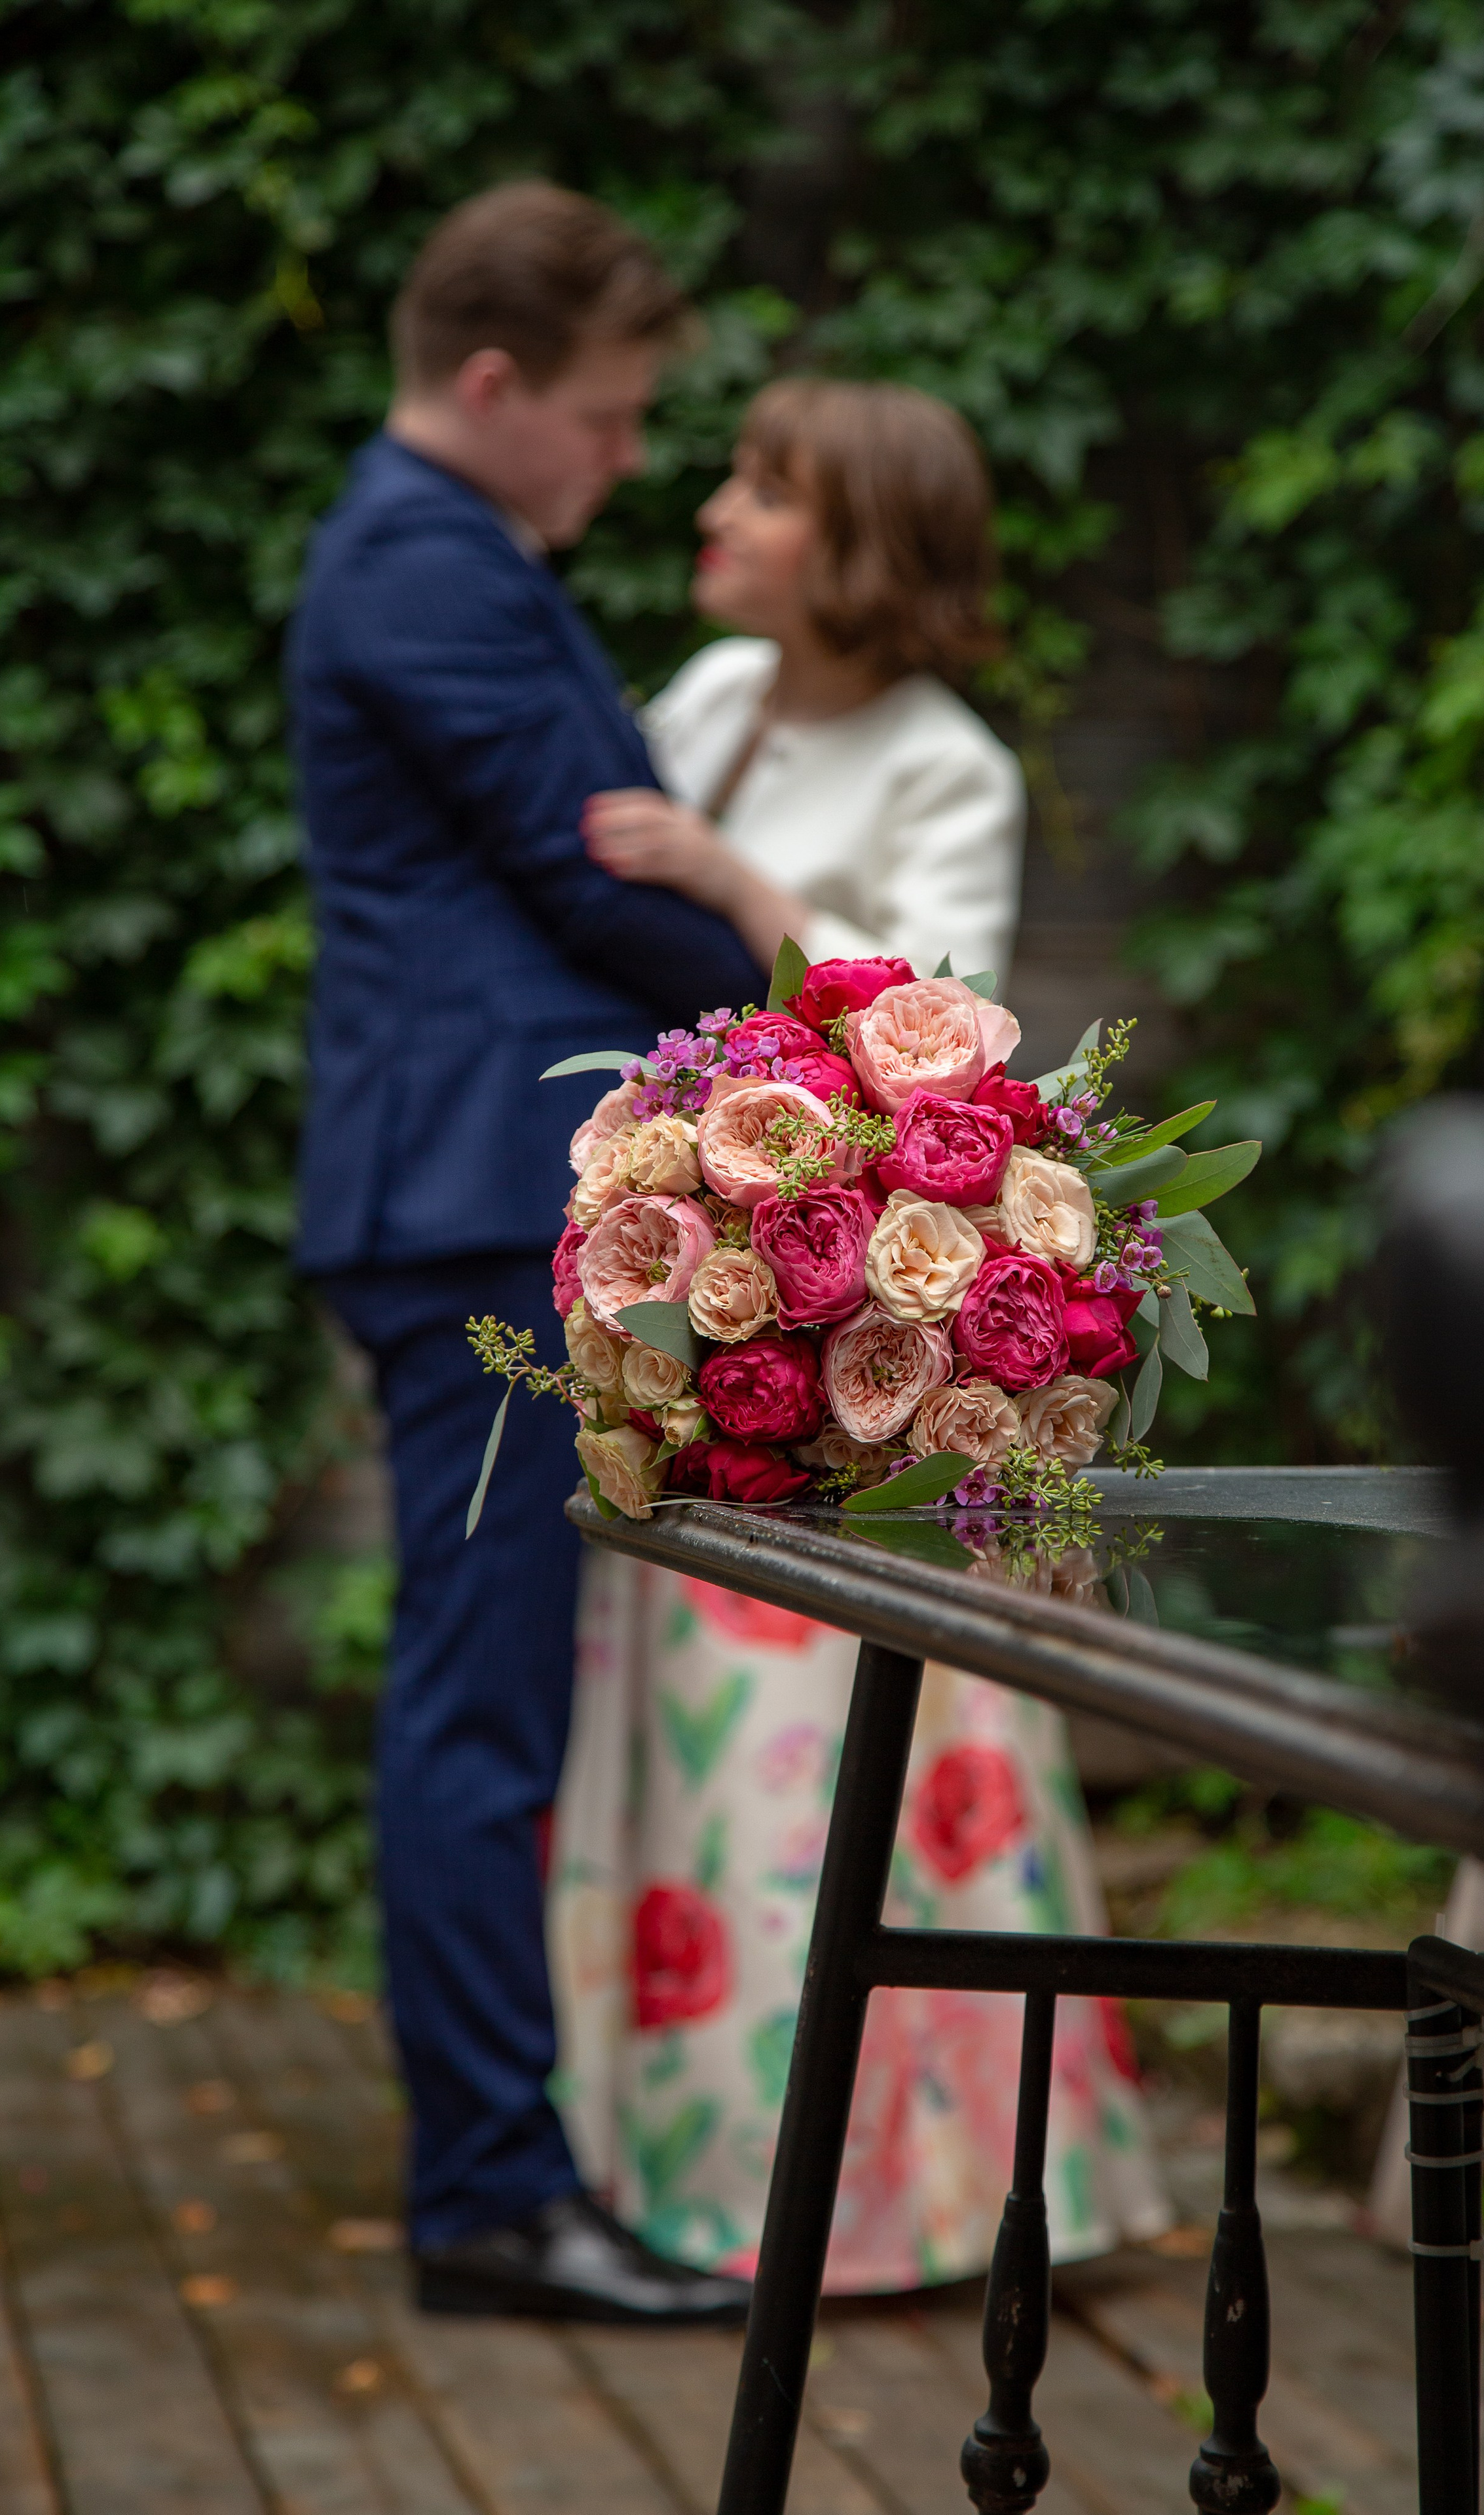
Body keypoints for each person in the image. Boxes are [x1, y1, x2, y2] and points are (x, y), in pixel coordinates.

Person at [548, 379, 1170, 2288]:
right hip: (702, 1334)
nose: (716, 512)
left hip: (865, 1384)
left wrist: (743, 888)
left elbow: (956, 1063)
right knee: (697, 1747)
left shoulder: (946, 766)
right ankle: (690, 2178)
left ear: (863, 541)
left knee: (856, 1754)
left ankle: (919, 2199)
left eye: (767, 489)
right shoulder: (700, 700)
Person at [286, 181, 764, 2324]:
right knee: (478, 1721)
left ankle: (502, 2167)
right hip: (474, 1198)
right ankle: (489, 2195)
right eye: (610, 410)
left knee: (489, 1712)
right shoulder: (423, 561)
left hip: (474, 1182)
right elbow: (614, 882)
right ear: (494, 386)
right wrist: (779, 949)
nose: (632, 454)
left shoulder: (443, 548)